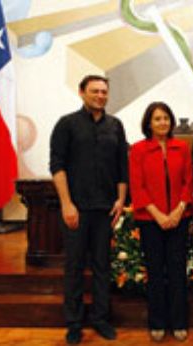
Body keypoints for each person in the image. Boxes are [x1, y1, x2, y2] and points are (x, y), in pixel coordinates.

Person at [49, 75, 128, 345]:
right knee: (74, 266)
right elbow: (56, 166)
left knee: (102, 266)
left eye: (104, 91)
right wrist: (66, 204)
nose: (100, 96)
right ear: (82, 92)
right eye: (94, 91)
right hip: (77, 209)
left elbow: (122, 167)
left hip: (106, 208)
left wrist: (120, 200)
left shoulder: (115, 126)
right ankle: (73, 322)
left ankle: (100, 318)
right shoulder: (67, 124)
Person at [129, 102, 193, 342]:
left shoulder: (182, 148)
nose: (162, 123)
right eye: (157, 119)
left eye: (166, 118)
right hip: (150, 220)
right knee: (155, 272)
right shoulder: (138, 150)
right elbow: (138, 186)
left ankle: (178, 322)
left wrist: (178, 211)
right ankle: (157, 323)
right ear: (148, 123)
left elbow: (189, 182)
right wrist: (158, 215)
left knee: (177, 272)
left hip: (180, 218)